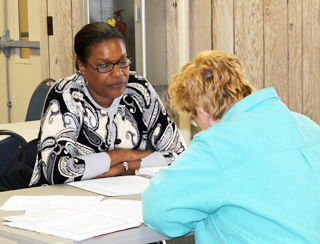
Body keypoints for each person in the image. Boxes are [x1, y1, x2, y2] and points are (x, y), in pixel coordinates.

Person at [142, 50, 320, 243]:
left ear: (203, 113)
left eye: (195, 120)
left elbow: (158, 210)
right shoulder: (306, 126)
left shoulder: (217, 143)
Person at [29, 22, 186, 186]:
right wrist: (120, 155)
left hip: (121, 196)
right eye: (104, 66)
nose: (118, 73)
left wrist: (127, 167)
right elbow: (56, 171)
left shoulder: (139, 91)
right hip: (61, 201)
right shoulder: (67, 94)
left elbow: (179, 154)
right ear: (82, 67)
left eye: (123, 61)